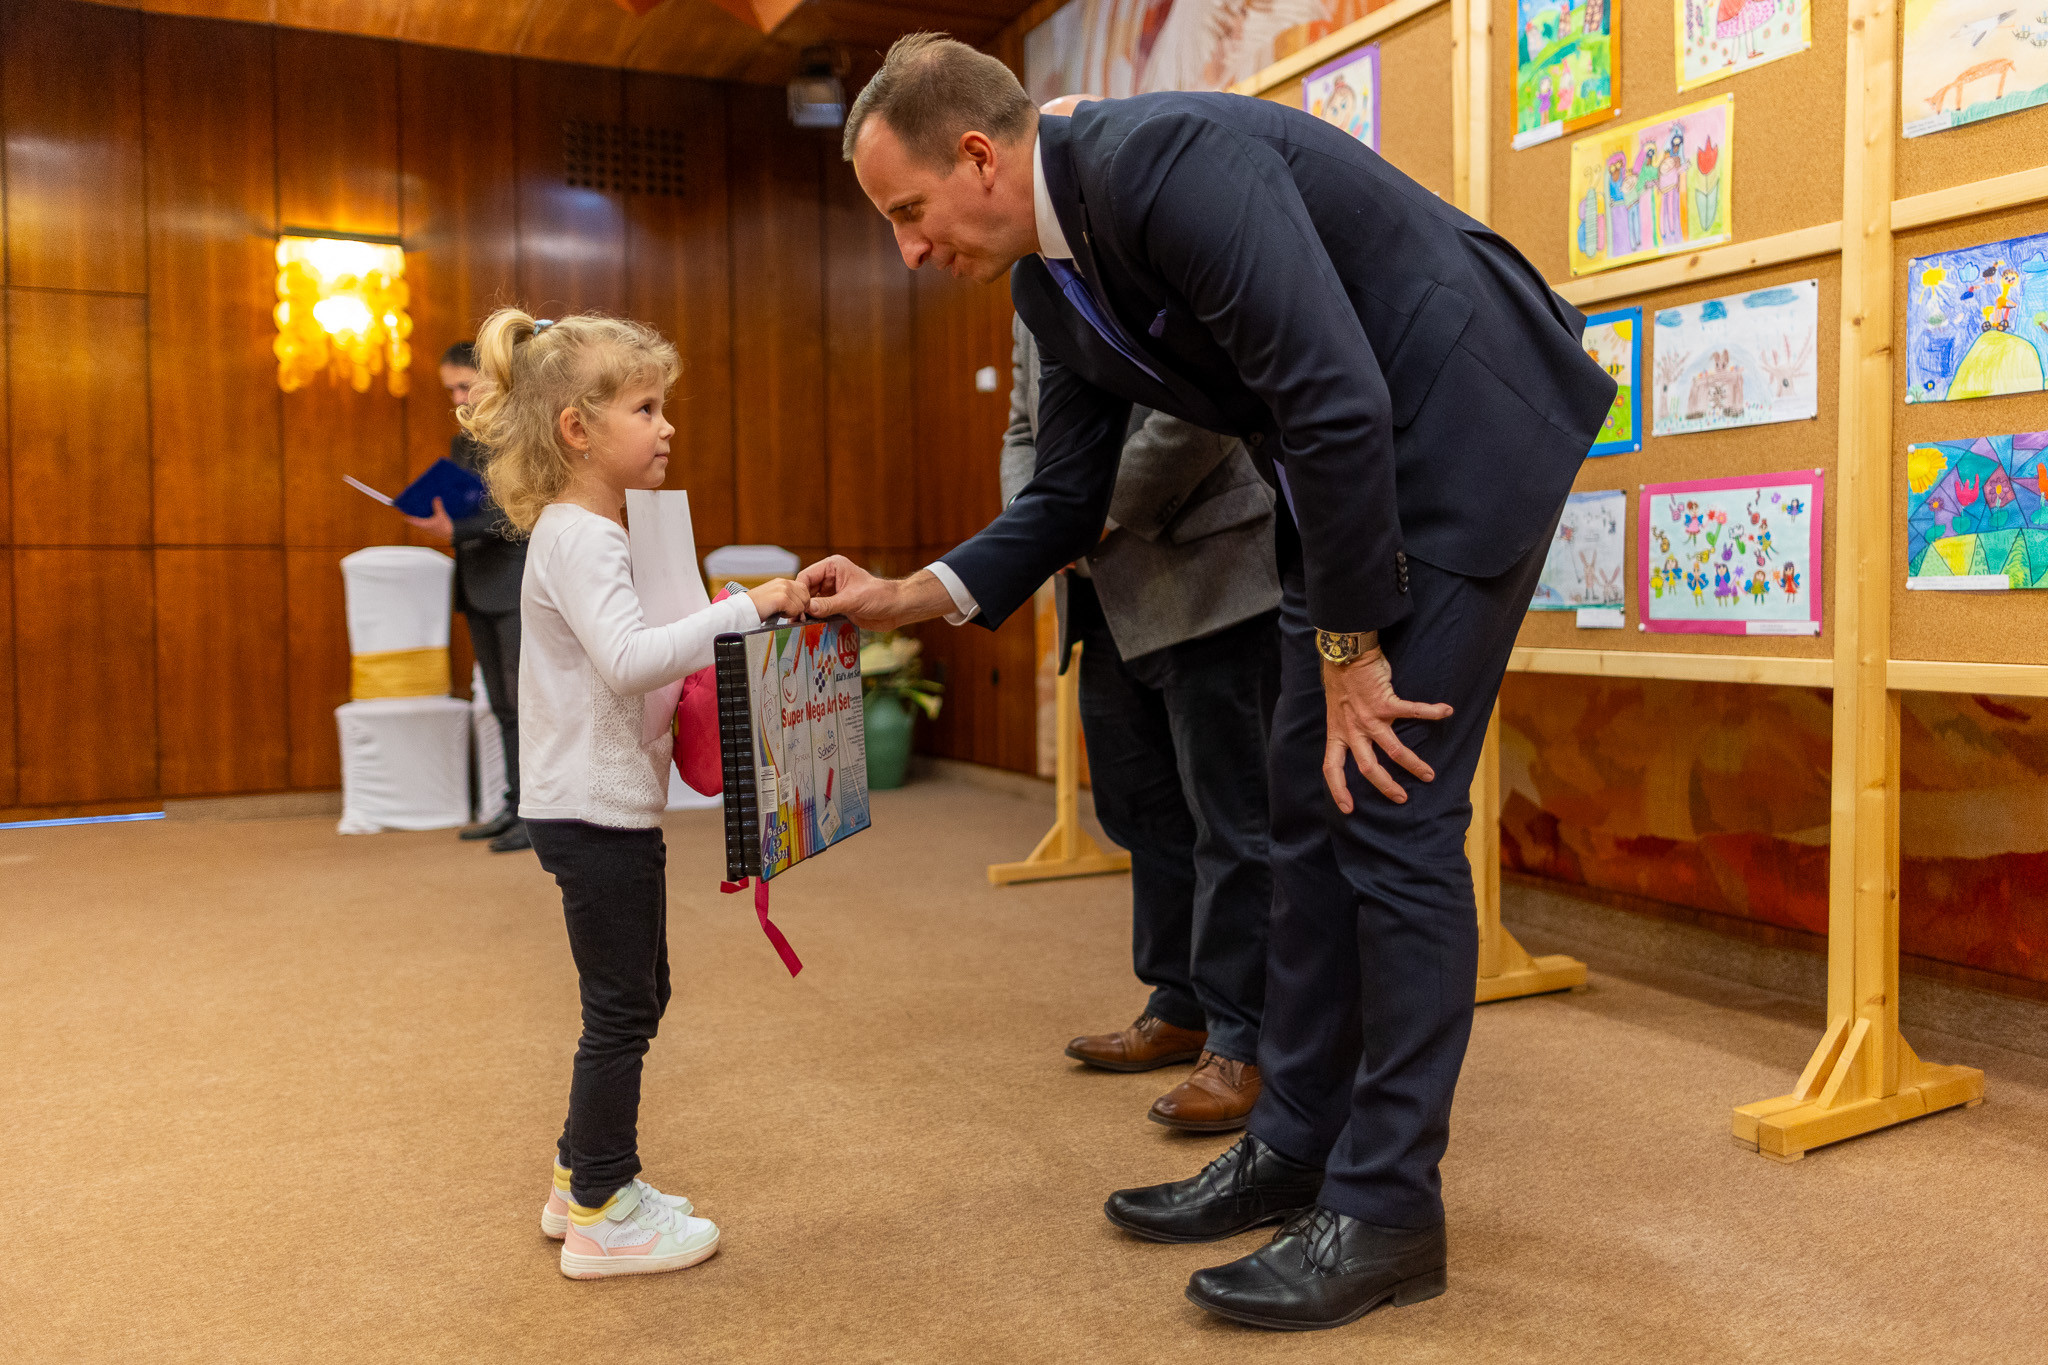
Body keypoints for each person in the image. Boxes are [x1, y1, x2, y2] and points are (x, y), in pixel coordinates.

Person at [802, 35, 1614, 1331]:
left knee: (1388, 812)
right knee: (1300, 806)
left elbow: (1332, 391)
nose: (906, 251)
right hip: (1337, 480)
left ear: (978, 156)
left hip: (1461, 425)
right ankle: (1294, 1144)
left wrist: (1350, 652)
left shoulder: (1163, 160)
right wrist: (911, 594)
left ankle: (1388, 1208)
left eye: (907, 212)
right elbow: (1068, 499)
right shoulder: (1048, 285)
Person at [460, 307, 811, 1280]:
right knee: (620, 1009)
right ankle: (603, 1212)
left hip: (599, 801)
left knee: (639, 992)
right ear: (576, 429)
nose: (667, 427)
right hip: (592, 807)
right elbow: (625, 659)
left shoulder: (590, 529)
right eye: (646, 409)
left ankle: (577, 1174)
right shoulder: (582, 538)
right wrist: (749, 607)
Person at [1003, 312, 1282, 1133]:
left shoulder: (1158, 247)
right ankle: (1181, 1002)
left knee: (1232, 819)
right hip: (1096, 589)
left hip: (1209, 573)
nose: (922, 255)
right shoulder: (1030, 285)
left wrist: (1083, 509)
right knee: (1139, 809)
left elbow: (1208, 403)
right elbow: (1021, 426)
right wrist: (1034, 522)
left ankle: (1246, 1039)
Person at [401, 341, 530, 853]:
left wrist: (452, 528)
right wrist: (443, 519)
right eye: (450, 390)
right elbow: (468, 507)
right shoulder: (463, 441)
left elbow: (520, 512)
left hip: (516, 581)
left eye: (464, 387)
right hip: (476, 581)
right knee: (501, 704)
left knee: (525, 703)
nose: (457, 399)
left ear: (491, 379)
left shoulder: (521, 433)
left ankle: (536, 815)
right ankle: (514, 804)